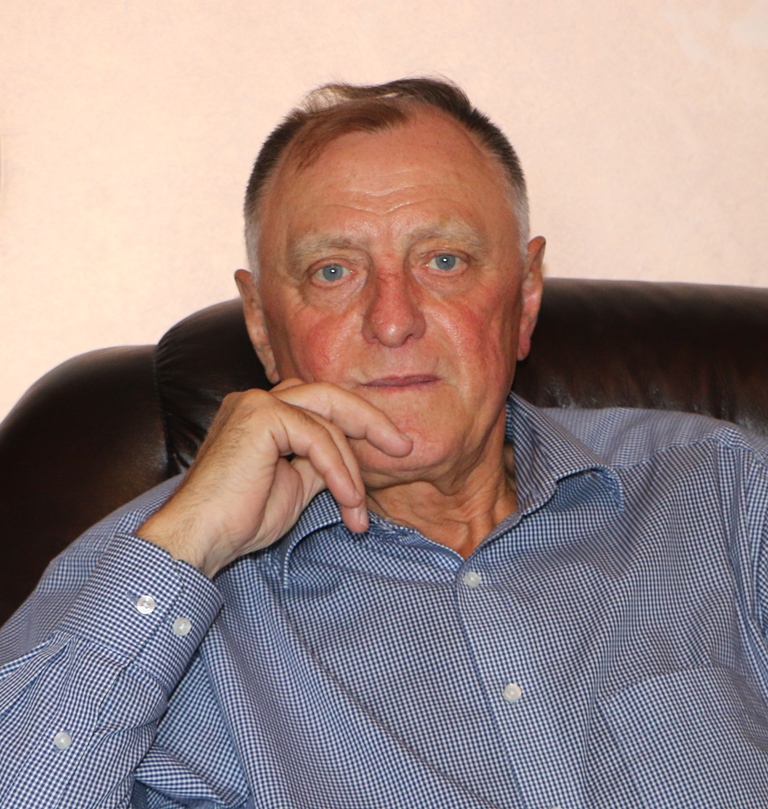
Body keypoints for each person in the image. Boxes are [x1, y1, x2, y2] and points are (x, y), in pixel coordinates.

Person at [1, 78, 767, 808]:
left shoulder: (720, 490)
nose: (393, 319)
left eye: (444, 260)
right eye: (333, 271)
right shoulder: (144, 585)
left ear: (526, 295)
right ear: (262, 325)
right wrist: (186, 547)